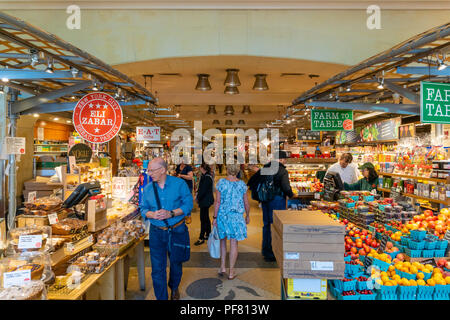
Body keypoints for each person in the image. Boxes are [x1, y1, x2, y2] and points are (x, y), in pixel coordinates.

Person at [140, 158, 193, 300]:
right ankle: (161, 297)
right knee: (157, 268)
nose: (148, 173)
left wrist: (172, 213)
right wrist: (152, 214)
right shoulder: (148, 189)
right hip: (156, 232)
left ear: (162, 170)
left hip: (177, 230)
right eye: (148, 170)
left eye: (151, 170)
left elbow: (188, 205)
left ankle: (174, 287)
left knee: (176, 263)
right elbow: (143, 208)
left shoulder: (179, 184)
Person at [248, 151, 294, 262]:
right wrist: (292, 195)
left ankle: (267, 251)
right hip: (277, 201)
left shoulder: (266, 167)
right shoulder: (282, 170)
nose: (285, 161)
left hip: (266, 201)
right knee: (277, 226)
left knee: (267, 225)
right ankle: (275, 251)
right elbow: (286, 187)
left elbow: (251, 181)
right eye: (285, 159)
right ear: (282, 159)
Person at [213, 164, 250, 280]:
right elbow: (246, 202)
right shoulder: (242, 185)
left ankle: (222, 267)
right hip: (236, 217)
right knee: (234, 244)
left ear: (227, 169)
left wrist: (214, 217)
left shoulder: (221, 183)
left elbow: (217, 202)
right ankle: (231, 271)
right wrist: (248, 215)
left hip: (223, 216)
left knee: (222, 241)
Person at [194, 163, 215, 245]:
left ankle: (201, 237)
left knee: (203, 219)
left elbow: (203, 190)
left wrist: (197, 198)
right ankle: (208, 233)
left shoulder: (206, 178)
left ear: (203, 169)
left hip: (205, 201)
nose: (199, 169)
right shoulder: (207, 176)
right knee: (205, 218)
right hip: (206, 200)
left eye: (200, 168)